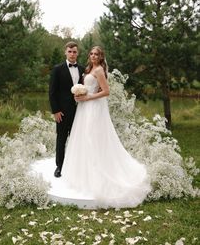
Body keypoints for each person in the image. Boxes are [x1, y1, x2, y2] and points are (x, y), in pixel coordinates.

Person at [61, 45, 151, 208]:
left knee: (92, 138)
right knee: (83, 138)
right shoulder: (89, 68)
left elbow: (106, 91)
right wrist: (80, 94)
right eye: (91, 53)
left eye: (96, 54)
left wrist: (88, 97)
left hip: (93, 107)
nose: (93, 56)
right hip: (83, 108)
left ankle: (98, 175)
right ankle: (83, 174)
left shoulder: (99, 71)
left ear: (101, 57)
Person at [49, 41, 85, 178]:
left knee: (78, 139)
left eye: (74, 51)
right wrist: (56, 111)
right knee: (61, 139)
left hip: (80, 111)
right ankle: (59, 166)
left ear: (78, 53)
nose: (72, 54)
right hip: (62, 112)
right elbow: (52, 92)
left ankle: (77, 165)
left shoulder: (82, 69)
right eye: (70, 51)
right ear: (65, 52)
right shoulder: (57, 69)